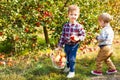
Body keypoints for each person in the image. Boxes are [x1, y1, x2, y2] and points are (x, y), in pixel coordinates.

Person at [57, 5, 85, 78]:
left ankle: (72, 71)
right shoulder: (65, 26)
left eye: (75, 15)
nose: (73, 16)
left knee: (72, 58)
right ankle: (68, 67)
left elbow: (83, 35)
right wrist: (60, 45)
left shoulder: (79, 26)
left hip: (74, 45)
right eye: (71, 14)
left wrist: (77, 38)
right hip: (66, 45)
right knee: (66, 57)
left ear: (78, 15)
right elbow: (62, 36)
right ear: (68, 15)